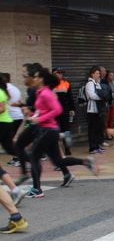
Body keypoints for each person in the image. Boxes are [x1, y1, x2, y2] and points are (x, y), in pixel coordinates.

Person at [25, 67, 96, 198]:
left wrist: (38, 118)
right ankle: (85, 162)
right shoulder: (41, 92)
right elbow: (42, 110)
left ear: (42, 79)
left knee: (34, 156)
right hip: (48, 130)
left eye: (36, 77)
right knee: (57, 161)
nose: (33, 79)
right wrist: (32, 115)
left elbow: (57, 110)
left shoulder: (46, 92)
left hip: (47, 130)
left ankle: (37, 189)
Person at [0, 75, 27, 205]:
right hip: (6, 123)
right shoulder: (4, 91)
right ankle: (15, 190)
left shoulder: (0, 92)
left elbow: (2, 108)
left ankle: (15, 190)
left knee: (11, 148)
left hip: (2, 123)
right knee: (10, 148)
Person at [0, 73, 24, 167]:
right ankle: (22, 158)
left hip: (11, 118)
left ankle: (24, 158)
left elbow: (2, 108)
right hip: (15, 117)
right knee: (9, 144)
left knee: (10, 143)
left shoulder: (5, 90)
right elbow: (20, 101)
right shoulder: (13, 88)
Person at [52, 68, 75, 156]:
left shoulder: (66, 83)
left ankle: (67, 148)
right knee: (53, 130)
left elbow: (70, 97)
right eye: (58, 73)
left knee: (66, 130)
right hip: (53, 110)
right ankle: (55, 148)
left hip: (64, 110)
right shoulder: (49, 84)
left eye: (61, 73)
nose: (60, 75)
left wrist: (72, 109)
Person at [85, 66, 106, 154]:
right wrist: (102, 97)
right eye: (97, 73)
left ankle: (97, 146)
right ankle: (92, 148)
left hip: (98, 109)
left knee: (97, 129)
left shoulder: (97, 83)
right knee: (92, 129)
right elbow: (92, 95)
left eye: (99, 73)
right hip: (92, 110)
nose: (99, 75)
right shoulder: (90, 83)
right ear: (92, 74)